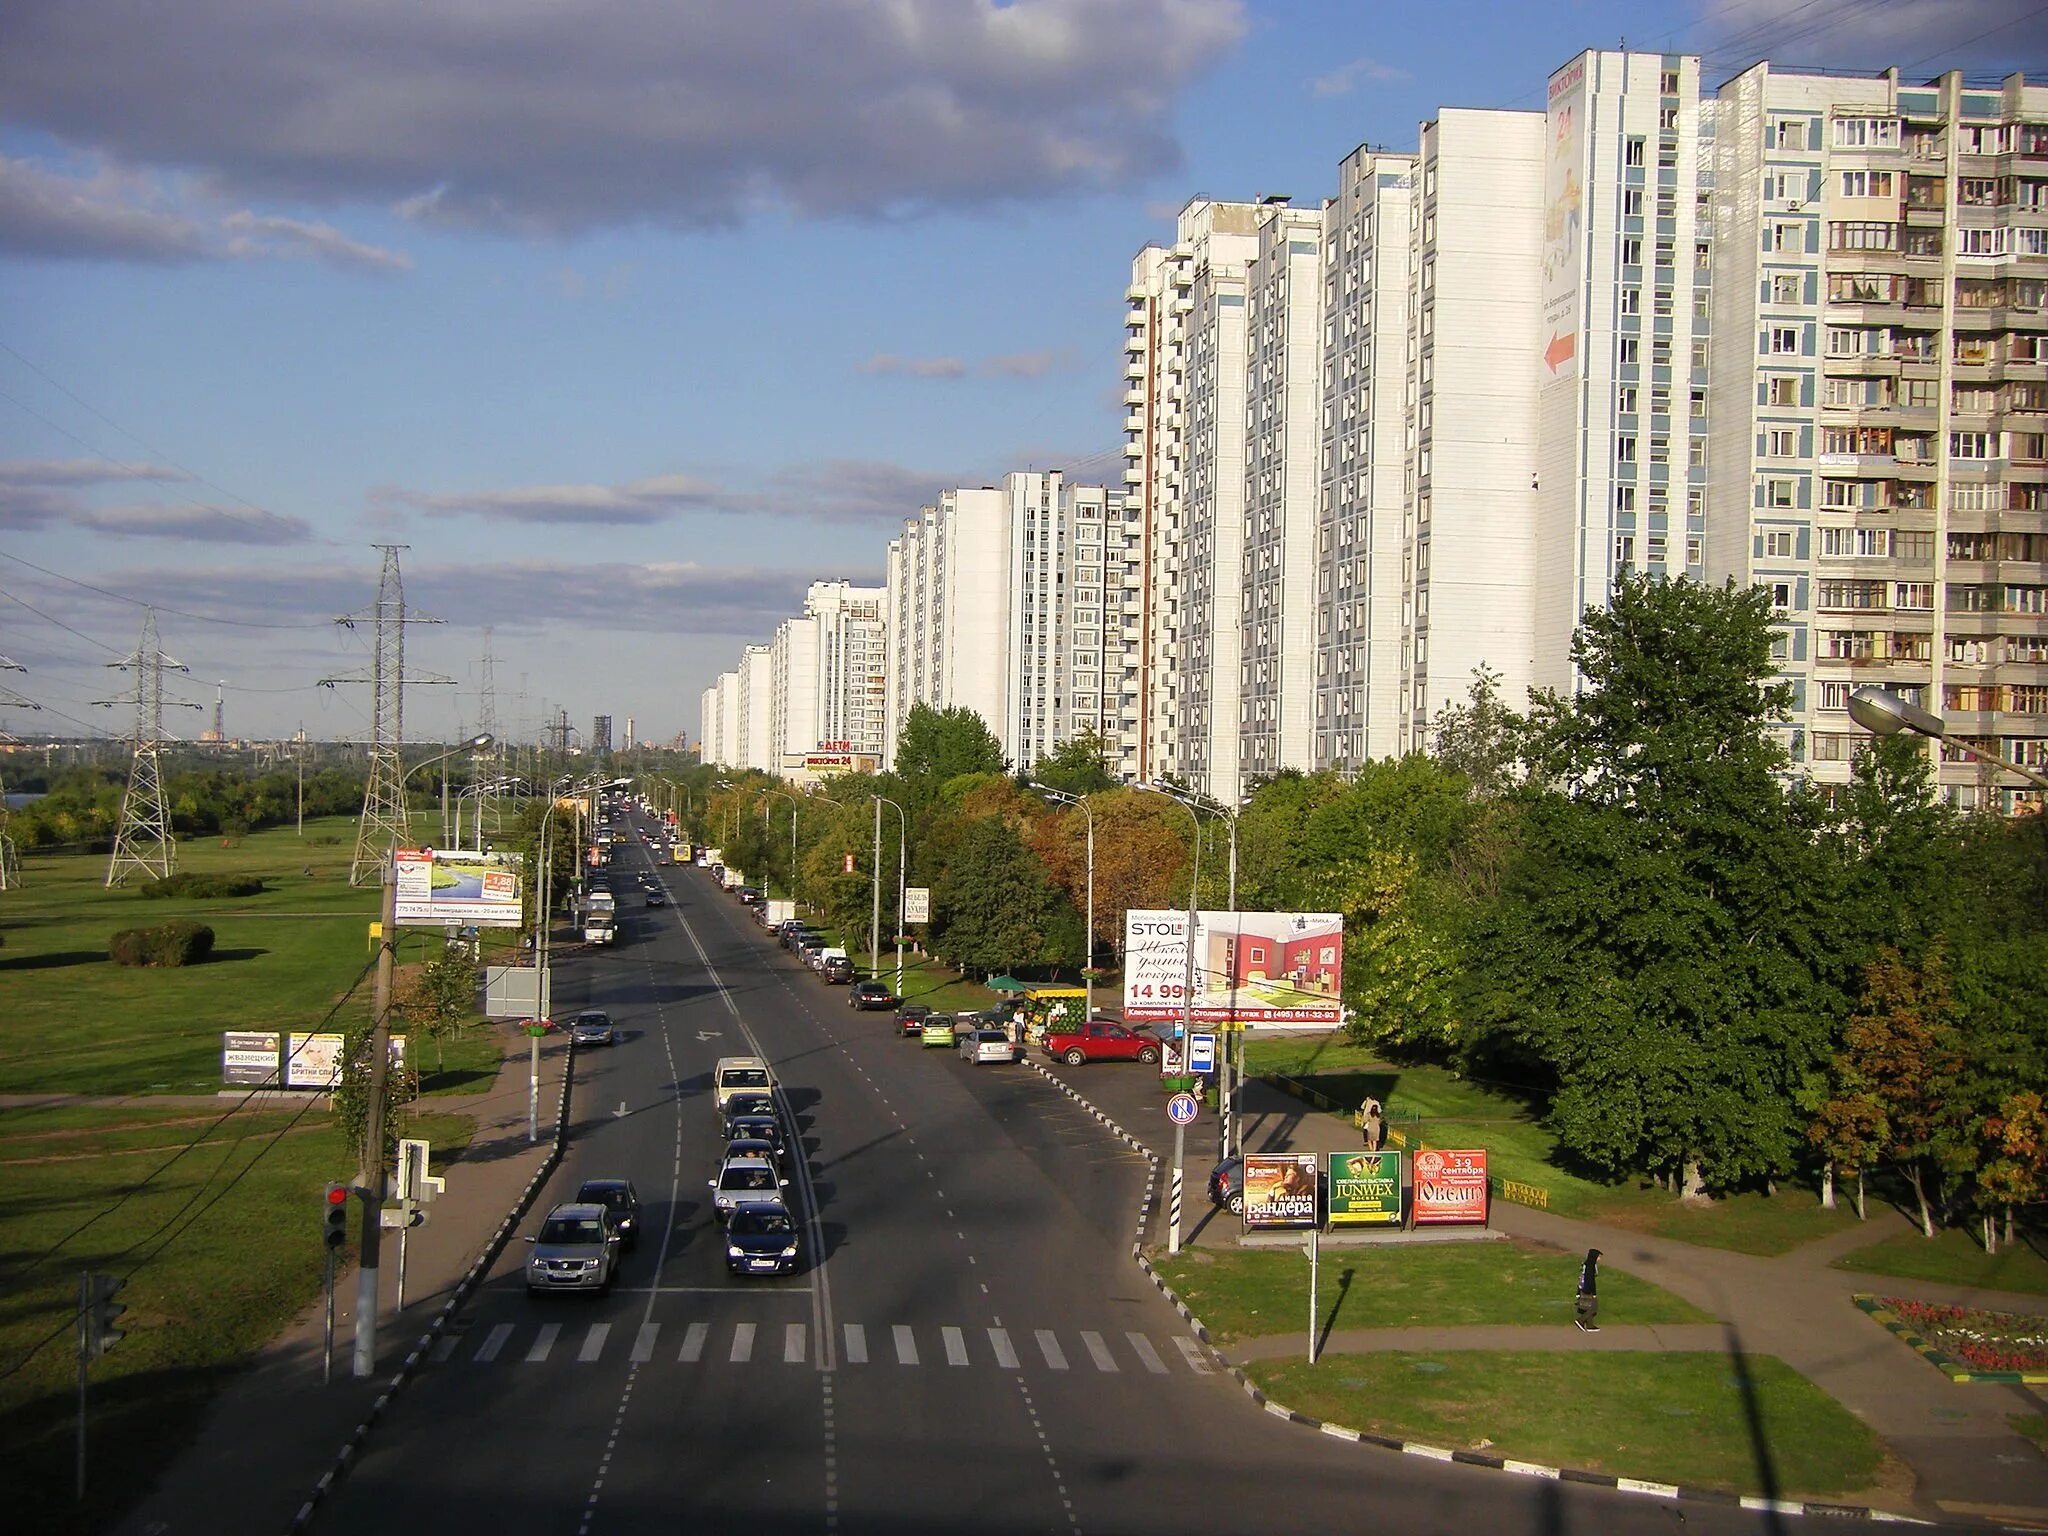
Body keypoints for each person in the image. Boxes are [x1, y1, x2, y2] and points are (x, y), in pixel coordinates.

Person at [1575, 1248, 1602, 1333]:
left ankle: (1590, 1325)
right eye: (1598, 1257)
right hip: (1587, 1288)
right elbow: (1590, 1280)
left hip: (1583, 1287)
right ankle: (1581, 1320)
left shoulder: (1587, 1264)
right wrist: (1593, 1293)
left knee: (1588, 1306)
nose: (1599, 1258)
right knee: (1594, 1306)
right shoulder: (1590, 1267)